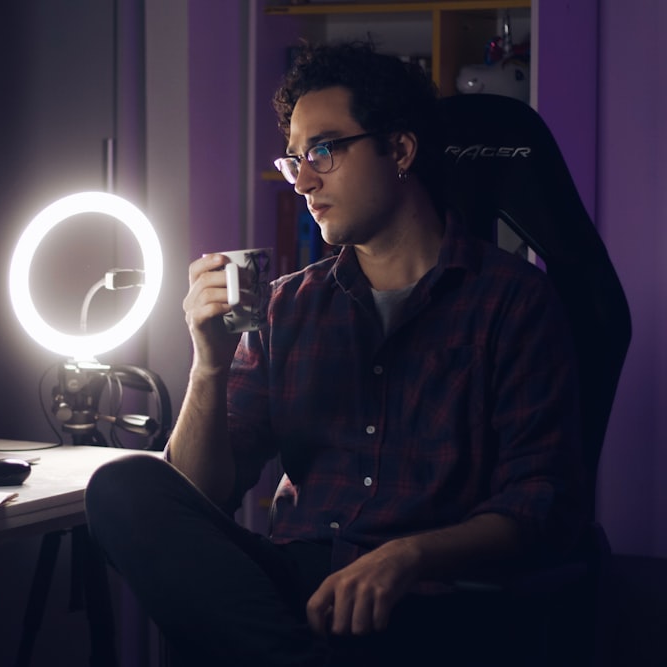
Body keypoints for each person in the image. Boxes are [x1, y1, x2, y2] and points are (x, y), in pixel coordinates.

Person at [85, 41, 583, 666]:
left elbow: (536, 502)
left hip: (429, 597)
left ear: (399, 150)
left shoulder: (511, 302)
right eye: (294, 159)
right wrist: (209, 361)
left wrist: (407, 555)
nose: (304, 180)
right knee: (124, 486)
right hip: (294, 590)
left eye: (323, 149)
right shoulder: (286, 307)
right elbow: (198, 495)